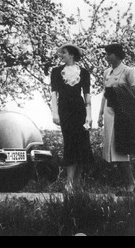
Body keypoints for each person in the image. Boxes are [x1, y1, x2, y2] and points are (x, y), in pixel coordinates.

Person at [97, 43, 135, 196]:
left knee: (121, 151)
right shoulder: (106, 72)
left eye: (109, 54)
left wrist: (118, 92)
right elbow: (105, 94)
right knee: (112, 152)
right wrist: (100, 114)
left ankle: (131, 185)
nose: (106, 56)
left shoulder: (128, 71)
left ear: (116, 55)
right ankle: (128, 185)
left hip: (122, 116)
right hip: (109, 114)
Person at [50, 44, 94, 193]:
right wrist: (54, 113)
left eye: (64, 52)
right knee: (69, 143)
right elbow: (53, 94)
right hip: (65, 110)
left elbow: (87, 96)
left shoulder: (84, 73)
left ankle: (78, 182)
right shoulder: (56, 72)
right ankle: (68, 183)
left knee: (82, 144)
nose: (61, 55)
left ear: (72, 54)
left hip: (79, 110)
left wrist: (89, 116)